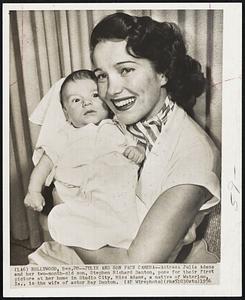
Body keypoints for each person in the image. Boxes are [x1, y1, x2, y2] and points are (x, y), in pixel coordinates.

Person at [28, 12, 220, 264]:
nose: (112, 90)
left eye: (126, 69)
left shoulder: (194, 155)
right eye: (102, 75)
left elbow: (135, 267)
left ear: (163, 72)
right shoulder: (115, 119)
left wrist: (58, 210)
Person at [24, 69, 145, 250]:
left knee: (137, 221)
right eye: (76, 100)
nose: (86, 102)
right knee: (82, 227)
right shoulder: (64, 135)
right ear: (66, 112)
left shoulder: (119, 125)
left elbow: (137, 145)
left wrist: (138, 150)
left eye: (95, 95)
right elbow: (45, 164)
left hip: (116, 194)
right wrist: (34, 191)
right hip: (80, 196)